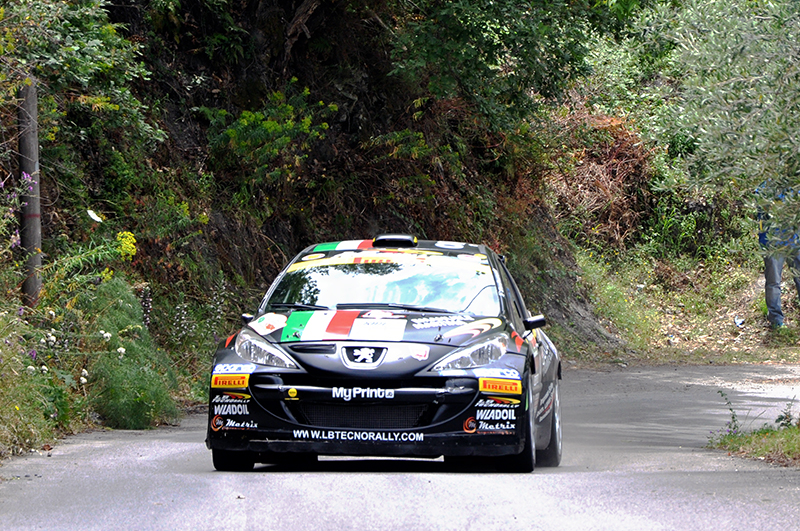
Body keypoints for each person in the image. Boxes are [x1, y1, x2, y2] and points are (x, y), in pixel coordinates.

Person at [757, 187, 800, 328]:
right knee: (773, 282)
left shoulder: (794, 186)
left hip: (794, 240)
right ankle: (776, 321)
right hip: (773, 243)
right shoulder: (765, 188)